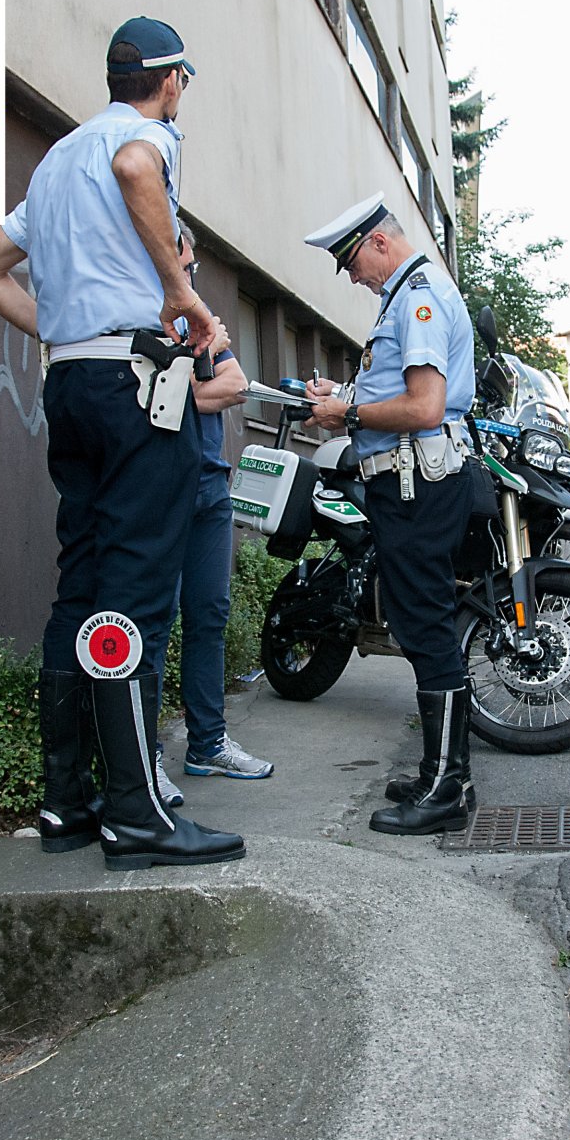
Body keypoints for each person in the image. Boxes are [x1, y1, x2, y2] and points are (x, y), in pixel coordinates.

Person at [0, 15, 244, 872]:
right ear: (171, 81)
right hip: (134, 383)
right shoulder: (143, 139)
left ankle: (66, 802)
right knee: (137, 588)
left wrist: (62, 331)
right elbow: (133, 169)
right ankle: (136, 815)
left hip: (73, 382)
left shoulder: (52, 162)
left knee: (79, 583)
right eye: (182, 83)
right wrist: (177, 287)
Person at [301, 195, 478, 836]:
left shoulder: (419, 294)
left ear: (379, 242)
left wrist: (345, 414)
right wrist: (348, 398)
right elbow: (403, 397)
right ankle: (442, 771)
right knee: (418, 619)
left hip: (416, 481)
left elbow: (426, 406)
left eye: (351, 261)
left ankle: (446, 789)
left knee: (425, 625)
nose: (351, 276)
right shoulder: (407, 296)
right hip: (409, 479)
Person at [143, 223, 274, 809]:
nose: (191, 276)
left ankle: (208, 744)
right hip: (156, 489)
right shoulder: (137, 318)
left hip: (209, 485)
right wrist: (195, 382)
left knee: (209, 614)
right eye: (184, 266)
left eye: (192, 267)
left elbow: (238, 384)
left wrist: (178, 386)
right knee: (151, 622)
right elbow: (143, 398)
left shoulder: (197, 320)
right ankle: (140, 754)